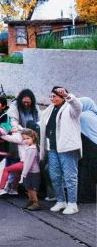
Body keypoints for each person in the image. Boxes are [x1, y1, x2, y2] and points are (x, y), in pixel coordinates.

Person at [40, 87, 82, 215]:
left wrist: (68, 96)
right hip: (52, 148)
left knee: (70, 176)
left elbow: (78, 106)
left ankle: (72, 204)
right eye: (51, 96)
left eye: (56, 96)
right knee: (54, 175)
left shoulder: (70, 108)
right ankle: (60, 200)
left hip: (67, 148)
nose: (53, 98)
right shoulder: (49, 110)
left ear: (63, 96)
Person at [0, 129, 42, 210]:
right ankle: (31, 201)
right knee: (29, 187)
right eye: (24, 139)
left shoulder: (32, 149)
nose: (25, 141)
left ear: (33, 138)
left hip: (32, 172)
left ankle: (35, 203)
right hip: (31, 171)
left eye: (27, 138)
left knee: (31, 188)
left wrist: (24, 173)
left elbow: (28, 163)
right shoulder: (31, 147)